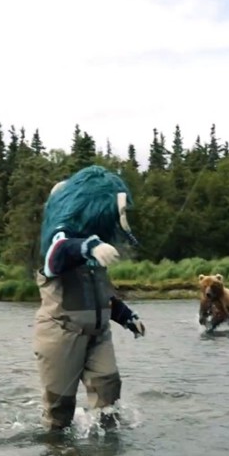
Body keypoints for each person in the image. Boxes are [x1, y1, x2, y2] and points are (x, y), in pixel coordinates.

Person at [34, 165, 147, 432]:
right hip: (61, 334)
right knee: (59, 411)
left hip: (98, 335)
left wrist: (126, 316)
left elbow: (103, 294)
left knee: (109, 394)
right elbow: (57, 255)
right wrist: (89, 246)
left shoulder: (96, 252)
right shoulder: (61, 242)